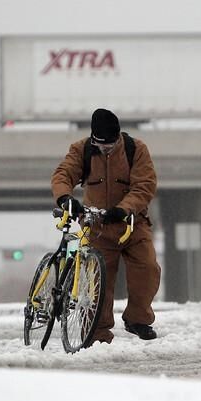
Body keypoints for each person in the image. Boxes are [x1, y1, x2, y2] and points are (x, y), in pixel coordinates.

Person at [51, 108, 161, 344]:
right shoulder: (81, 150)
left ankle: (138, 319)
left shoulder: (136, 150)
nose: (104, 149)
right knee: (97, 283)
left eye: (109, 146)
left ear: (118, 137)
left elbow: (145, 185)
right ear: (93, 139)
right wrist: (65, 198)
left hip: (132, 223)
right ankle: (96, 331)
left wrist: (123, 209)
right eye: (100, 145)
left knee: (148, 268)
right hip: (97, 226)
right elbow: (63, 174)